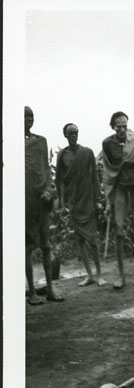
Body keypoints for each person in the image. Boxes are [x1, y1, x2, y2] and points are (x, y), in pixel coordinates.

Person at [101, 111, 134, 289]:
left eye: (125, 125)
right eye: (119, 126)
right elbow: (109, 174)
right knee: (119, 232)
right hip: (120, 189)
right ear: (113, 127)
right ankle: (121, 276)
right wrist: (108, 201)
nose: (122, 129)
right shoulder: (108, 143)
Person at [55, 123, 107, 287]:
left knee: (92, 239)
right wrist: (63, 202)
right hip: (74, 202)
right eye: (71, 133)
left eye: (76, 132)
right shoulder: (62, 155)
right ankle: (89, 275)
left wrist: (98, 199)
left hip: (87, 200)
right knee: (80, 240)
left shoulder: (87, 152)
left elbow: (94, 177)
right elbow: (61, 180)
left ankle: (99, 274)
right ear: (65, 135)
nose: (74, 135)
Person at [25, 106, 64, 304]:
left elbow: (47, 171)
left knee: (46, 246)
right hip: (24, 201)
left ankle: (49, 289)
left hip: (42, 199)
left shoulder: (40, 142)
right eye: (24, 116)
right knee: (27, 248)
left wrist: (50, 189)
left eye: (31, 116)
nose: (28, 119)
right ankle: (31, 292)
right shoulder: (10, 144)